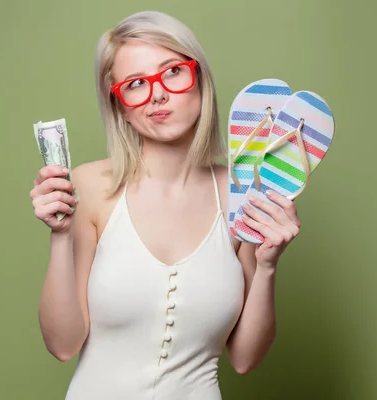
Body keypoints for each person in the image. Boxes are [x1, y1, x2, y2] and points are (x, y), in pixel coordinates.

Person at [29, 10, 301, 400]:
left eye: (172, 71)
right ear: (120, 103)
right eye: (136, 83)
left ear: (200, 77)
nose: (157, 94)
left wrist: (268, 266)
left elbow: (244, 358)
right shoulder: (90, 186)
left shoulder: (241, 194)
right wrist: (59, 237)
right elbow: (62, 344)